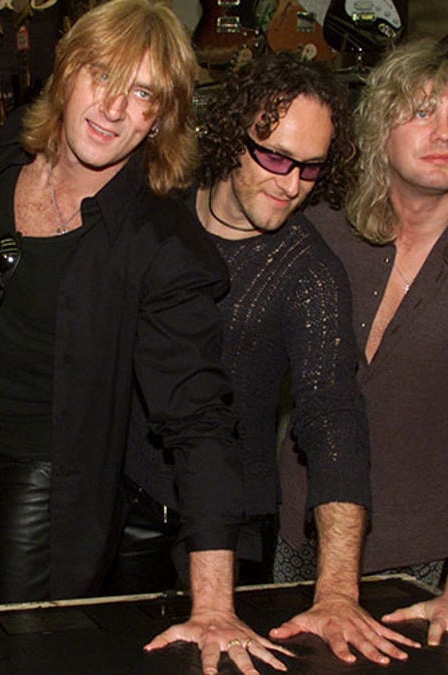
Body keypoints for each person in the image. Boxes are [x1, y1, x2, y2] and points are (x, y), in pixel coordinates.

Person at [0, 0, 242, 640]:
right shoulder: (11, 147)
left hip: (47, 490)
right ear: (66, 73)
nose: (113, 109)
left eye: (143, 94)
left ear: (161, 119)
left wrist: (212, 607)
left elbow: (201, 422)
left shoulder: (159, 241)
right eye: (102, 74)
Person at [128, 53, 416, 670]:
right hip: (119, 505)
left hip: (234, 530)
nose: (291, 183)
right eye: (275, 157)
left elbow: (333, 415)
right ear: (233, 138)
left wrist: (337, 589)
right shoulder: (160, 208)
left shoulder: (308, 272)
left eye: (311, 168)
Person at [277, 38, 448, 654]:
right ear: (378, 128)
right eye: (421, 111)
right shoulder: (319, 227)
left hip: (414, 560)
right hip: (297, 539)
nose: (444, 132)